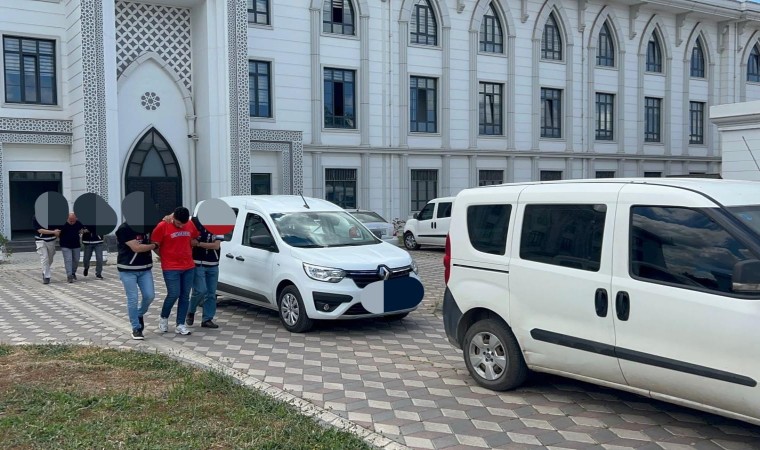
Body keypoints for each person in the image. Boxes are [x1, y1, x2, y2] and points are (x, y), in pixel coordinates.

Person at [151, 206, 199, 336]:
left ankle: (180, 324)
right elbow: (155, 244)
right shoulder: (163, 225)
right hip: (170, 267)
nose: (181, 226)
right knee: (174, 293)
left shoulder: (189, 224)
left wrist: (193, 243)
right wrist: (163, 256)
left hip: (188, 266)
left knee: (185, 295)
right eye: (178, 223)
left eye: (183, 224)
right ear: (173, 218)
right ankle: (164, 317)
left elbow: (195, 237)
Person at [115, 220, 157, 340]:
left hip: (145, 268)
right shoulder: (124, 228)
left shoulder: (148, 226)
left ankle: (139, 313)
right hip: (127, 269)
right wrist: (154, 246)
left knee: (150, 296)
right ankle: (136, 328)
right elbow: (136, 248)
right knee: (133, 299)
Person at [187, 216, 221, 328]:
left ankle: (207, 319)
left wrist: (199, 244)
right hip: (198, 263)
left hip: (213, 263)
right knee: (200, 290)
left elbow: (216, 245)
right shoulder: (194, 223)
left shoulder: (219, 225)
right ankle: (190, 311)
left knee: (211, 293)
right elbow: (190, 241)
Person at [59, 212, 89, 283]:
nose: (72, 222)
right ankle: (69, 276)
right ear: (67, 219)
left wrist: (83, 231)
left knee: (76, 260)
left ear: (76, 219)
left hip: (76, 245)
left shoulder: (78, 223)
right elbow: (58, 233)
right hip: (65, 245)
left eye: (73, 221)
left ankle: (73, 272)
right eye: (70, 221)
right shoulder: (62, 224)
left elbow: (83, 229)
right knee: (68, 260)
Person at [33, 215, 59, 284]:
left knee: (50, 258)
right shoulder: (36, 217)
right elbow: (40, 230)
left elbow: (58, 229)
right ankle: (46, 277)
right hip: (40, 240)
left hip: (51, 240)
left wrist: (57, 232)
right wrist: (53, 232)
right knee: (44, 258)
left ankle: (45, 270)